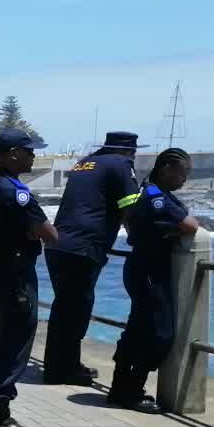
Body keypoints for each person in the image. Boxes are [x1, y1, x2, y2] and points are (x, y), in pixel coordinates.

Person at [0, 129, 58, 427]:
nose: (33, 155)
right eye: (28, 150)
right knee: (15, 340)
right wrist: (33, 234)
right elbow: (50, 234)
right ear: (11, 154)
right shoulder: (14, 191)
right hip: (15, 274)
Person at [43, 131, 144, 385]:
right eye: (133, 152)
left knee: (63, 308)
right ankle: (63, 370)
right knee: (76, 310)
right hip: (84, 247)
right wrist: (140, 242)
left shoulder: (85, 163)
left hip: (57, 243)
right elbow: (130, 208)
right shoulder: (121, 165)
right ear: (127, 152)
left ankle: (61, 365)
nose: (134, 156)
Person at [110, 148, 199, 414]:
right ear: (167, 168)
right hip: (149, 271)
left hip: (143, 268)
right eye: (183, 173)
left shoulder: (149, 193)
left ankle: (120, 388)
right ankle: (132, 389)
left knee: (137, 330)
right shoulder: (155, 197)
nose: (185, 179)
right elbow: (191, 225)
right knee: (161, 334)